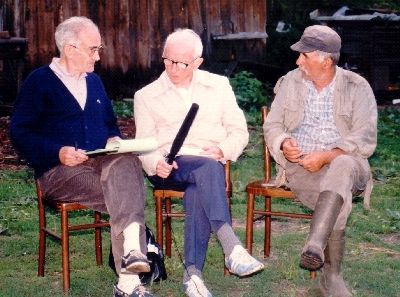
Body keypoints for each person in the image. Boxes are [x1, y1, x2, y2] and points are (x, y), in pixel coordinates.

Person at [10, 16, 153, 297]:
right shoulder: (39, 81)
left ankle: (130, 270)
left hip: (101, 162)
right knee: (126, 192)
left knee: (127, 161)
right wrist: (57, 152)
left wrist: (114, 140)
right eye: (93, 49)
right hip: (58, 172)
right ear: (70, 47)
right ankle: (131, 270)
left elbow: (110, 125)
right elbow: (20, 132)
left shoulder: (95, 82)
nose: (98, 57)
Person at [134, 28, 264, 297]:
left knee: (201, 183)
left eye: (181, 62)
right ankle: (231, 247)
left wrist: (222, 149)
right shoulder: (145, 95)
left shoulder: (218, 86)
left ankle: (192, 276)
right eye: (168, 60)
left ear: (197, 62)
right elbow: (144, 143)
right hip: (170, 167)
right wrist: (155, 162)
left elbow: (239, 131)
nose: (173, 68)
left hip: (208, 163)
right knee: (208, 169)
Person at [264, 25, 377, 297]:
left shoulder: (356, 86)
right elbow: (273, 125)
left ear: (325, 60)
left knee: (342, 165)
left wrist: (327, 155)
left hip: (351, 165)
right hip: (302, 167)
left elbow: (365, 137)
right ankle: (331, 277)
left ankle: (315, 243)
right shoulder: (291, 81)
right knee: (339, 197)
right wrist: (283, 143)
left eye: (304, 55)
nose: (297, 61)